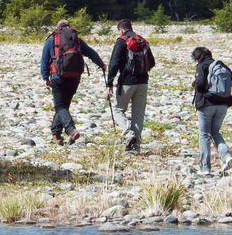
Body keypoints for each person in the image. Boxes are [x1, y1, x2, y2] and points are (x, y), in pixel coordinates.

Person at [40, 19, 105, 145]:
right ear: (69, 28)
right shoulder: (76, 40)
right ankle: (56, 134)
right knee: (64, 105)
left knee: (60, 106)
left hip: (57, 76)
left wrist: (45, 78)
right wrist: (101, 64)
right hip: (74, 77)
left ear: (57, 28)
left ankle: (71, 129)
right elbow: (91, 52)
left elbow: (44, 60)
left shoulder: (52, 39)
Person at [106, 19, 155, 153]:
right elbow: (152, 62)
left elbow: (114, 63)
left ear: (121, 29)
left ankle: (129, 134)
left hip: (127, 81)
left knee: (118, 109)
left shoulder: (121, 41)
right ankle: (136, 147)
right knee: (138, 114)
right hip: (143, 81)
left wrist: (109, 82)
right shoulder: (142, 40)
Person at [192, 47, 232, 174]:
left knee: (204, 134)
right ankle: (226, 156)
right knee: (215, 132)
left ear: (197, 57)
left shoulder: (202, 66)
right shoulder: (219, 64)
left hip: (206, 104)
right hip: (223, 104)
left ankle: (205, 168)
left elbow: (200, 84)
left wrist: (193, 83)